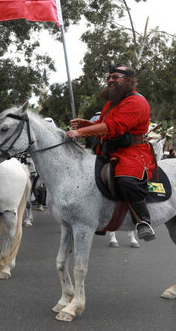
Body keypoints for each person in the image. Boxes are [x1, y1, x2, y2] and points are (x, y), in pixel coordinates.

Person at [66, 64, 156, 241]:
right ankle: (99, 217)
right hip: (109, 149)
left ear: (129, 80)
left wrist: (80, 132)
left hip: (132, 151)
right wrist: (85, 124)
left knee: (126, 179)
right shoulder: (111, 103)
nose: (110, 80)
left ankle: (143, 221)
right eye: (109, 77)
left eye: (115, 77)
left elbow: (115, 127)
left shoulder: (137, 101)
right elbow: (103, 127)